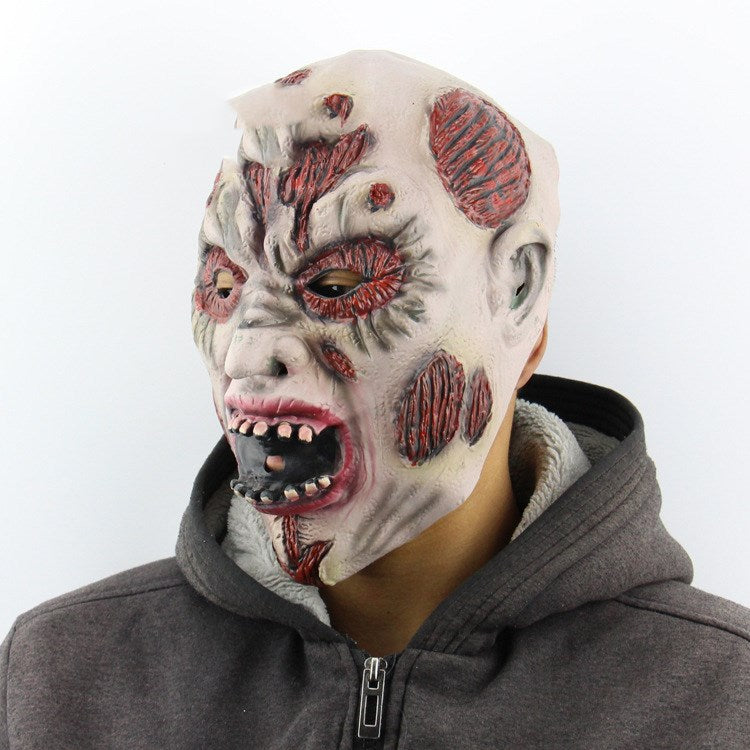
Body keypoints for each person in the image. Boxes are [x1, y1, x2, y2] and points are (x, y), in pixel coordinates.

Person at [2, 49, 748, 749]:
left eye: (337, 282)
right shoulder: (63, 677)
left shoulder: (721, 699)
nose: (243, 352)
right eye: (224, 284)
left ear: (516, 293)